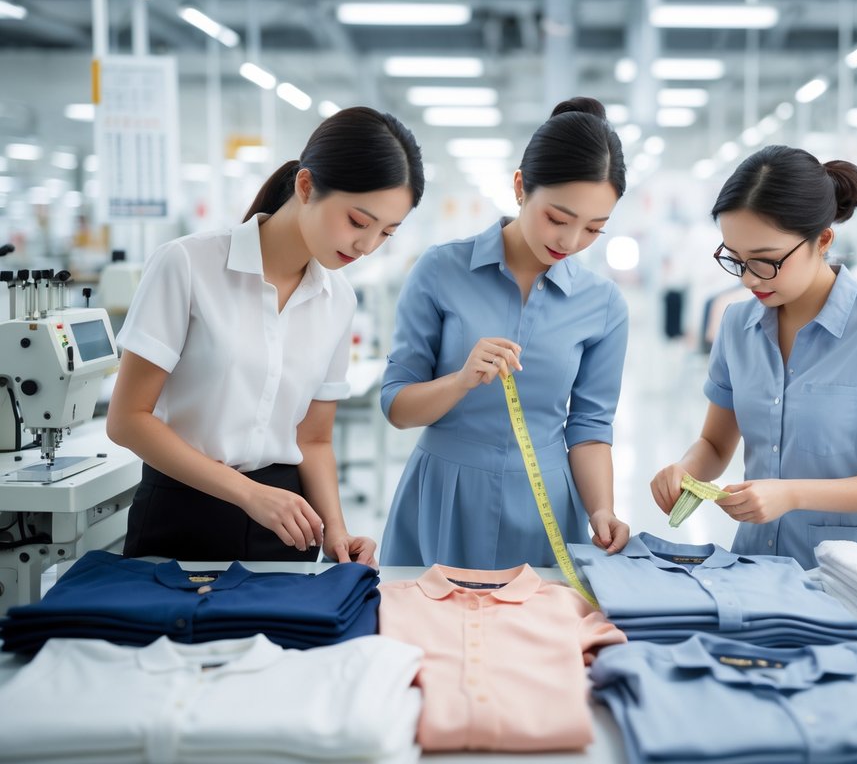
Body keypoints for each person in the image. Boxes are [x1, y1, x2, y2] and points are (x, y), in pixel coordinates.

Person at [107, 107, 424, 565]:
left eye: (386, 233)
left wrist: (336, 531)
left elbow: (313, 440)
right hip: (181, 514)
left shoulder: (339, 299)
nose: (367, 246)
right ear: (306, 186)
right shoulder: (188, 265)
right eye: (358, 221)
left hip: (287, 524)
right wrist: (248, 494)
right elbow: (127, 419)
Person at [650, 145, 857, 569]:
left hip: (854, 575)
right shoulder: (736, 325)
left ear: (822, 239)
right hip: (752, 567)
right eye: (735, 259)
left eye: (765, 262)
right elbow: (715, 443)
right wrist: (686, 471)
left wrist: (793, 494)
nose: (747, 279)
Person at [380, 96, 630, 569]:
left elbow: (591, 427)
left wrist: (602, 508)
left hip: (547, 506)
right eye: (557, 218)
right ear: (520, 186)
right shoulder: (439, 269)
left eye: (594, 228)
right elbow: (396, 406)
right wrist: (459, 381)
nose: (570, 242)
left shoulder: (604, 304)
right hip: (442, 495)